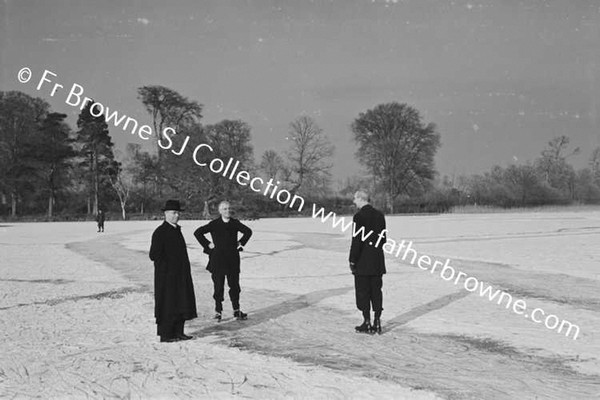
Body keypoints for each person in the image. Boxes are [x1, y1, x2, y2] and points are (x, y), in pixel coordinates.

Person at [194, 201, 252, 322]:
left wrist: (240, 242)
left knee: (235, 286)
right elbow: (198, 233)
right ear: (220, 211)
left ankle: (236, 310)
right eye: (224, 209)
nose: (227, 211)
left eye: (229, 209)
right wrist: (207, 244)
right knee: (218, 287)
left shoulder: (235, 223)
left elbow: (248, 231)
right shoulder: (214, 224)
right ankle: (218, 311)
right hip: (218, 260)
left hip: (232, 260)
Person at [149, 200, 198, 342]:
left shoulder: (177, 230)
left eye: (177, 213)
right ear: (165, 214)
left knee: (181, 301)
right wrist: (168, 269)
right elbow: (154, 255)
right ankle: (166, 334)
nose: (176, 215)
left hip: (181, 275)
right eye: (173, 213)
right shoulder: (160, 232)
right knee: (168, 304)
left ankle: (178, 332)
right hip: (167, 277)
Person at [349, 190, 386, 334]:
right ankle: (377, 321)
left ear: (361, 199)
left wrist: (353, 260)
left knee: (363, 292)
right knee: (376, 291)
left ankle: (367, 322)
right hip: (377, 261)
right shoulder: (380, 215)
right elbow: (383, 239)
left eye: (355, 199)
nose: (354, 202)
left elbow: (356, 241)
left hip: (363, 262)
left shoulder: (359, 217)